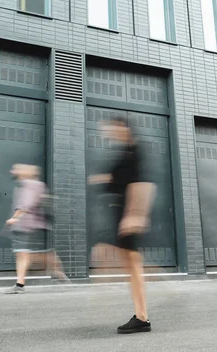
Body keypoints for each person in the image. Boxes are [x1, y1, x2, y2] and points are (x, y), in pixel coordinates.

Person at [88, 116, 156, 334]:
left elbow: (143, 183)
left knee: (133, 264)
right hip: (123, 215)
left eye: (111, 128)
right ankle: (141, 315)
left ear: (124, 128)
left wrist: (136, 214)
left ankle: (142, 317)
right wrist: (101, 179)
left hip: (128, 215)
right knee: (131, 264)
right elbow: (121, 178)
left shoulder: (135, 151)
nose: (108, 132)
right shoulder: (126, 151)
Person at [5, 164, 69, 294]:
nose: (13, 171)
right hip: (28, 226)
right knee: (24, 254)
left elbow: (26, 204)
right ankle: (20, 284)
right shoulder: (26, 184)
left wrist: (15, 218)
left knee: (34, 254)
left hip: (31, 226)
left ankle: (57, 271)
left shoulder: (31, 184)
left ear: (26, 172)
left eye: (17, 168)